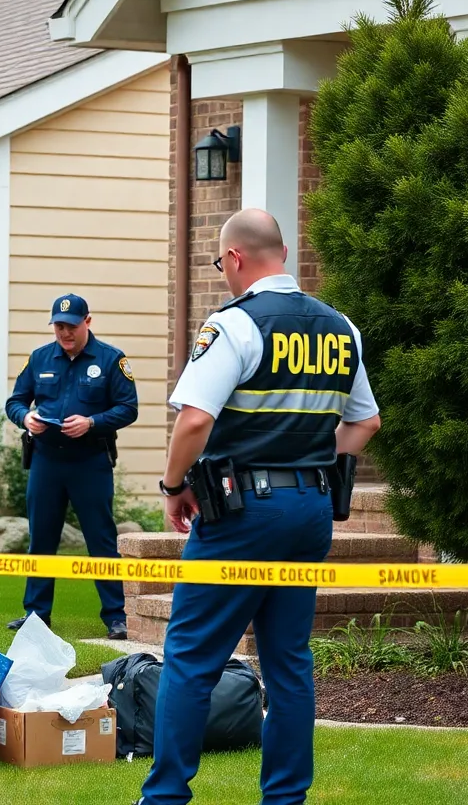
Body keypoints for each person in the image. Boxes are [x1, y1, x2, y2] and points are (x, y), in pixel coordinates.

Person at [136, 209, 381, 805]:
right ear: (285, 255)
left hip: (243, 511)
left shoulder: (235, 324)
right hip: (310, 508)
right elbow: (366, 422)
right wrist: (307, 460)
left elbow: (195, 419)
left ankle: (165, 797)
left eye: (221, 263)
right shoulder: (340, 327)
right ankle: (286, 799)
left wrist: (173, 486)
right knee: (288, 662)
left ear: (235, 258)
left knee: (191, 657)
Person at [4, 294, 139, 640]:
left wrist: (92, 422)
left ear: (87, 322)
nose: (65, 333)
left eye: (71, 326)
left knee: (101, 539)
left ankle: (116, 616)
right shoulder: (39, 358)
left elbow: (128, 408)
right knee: (41, 537)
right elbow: (15, 401)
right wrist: (26, 418)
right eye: (59, 326)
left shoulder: (111, 359)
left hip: (90, 461)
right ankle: (36, 615)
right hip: (46, 460)